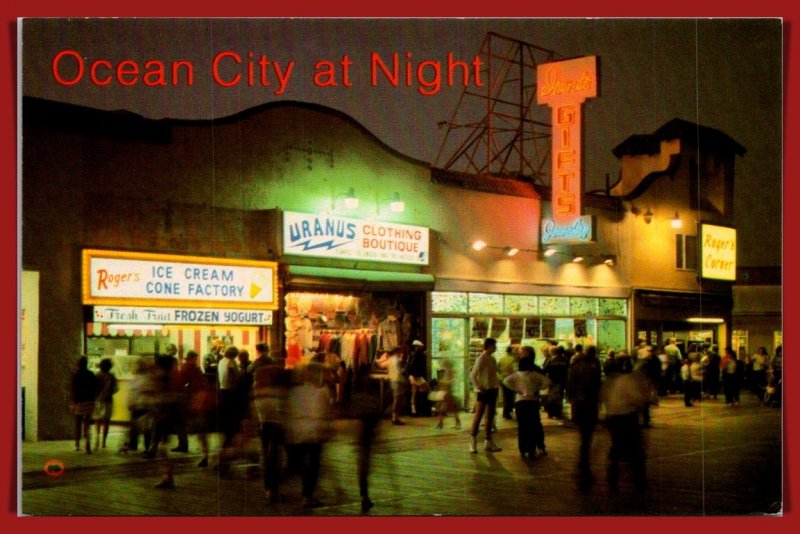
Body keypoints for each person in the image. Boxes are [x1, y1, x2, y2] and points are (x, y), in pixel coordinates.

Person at [283, 363, 333, 509]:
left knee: (302, 463)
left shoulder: (295, 392)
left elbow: (289, 411)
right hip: (313, 432)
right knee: (313, 464)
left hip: (297, 431)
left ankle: (298, 488)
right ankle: (307, 495)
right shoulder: (321, 392)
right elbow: (324, 412)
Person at [601, 354, 648, 492]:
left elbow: (602, 397)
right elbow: (637, 398)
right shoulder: (627, 380)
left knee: (616, 446)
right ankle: (639, 480)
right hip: (627, 416)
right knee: (635, 448)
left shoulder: (607, 381)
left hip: (611, 416)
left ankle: (612, 478)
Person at [503, 349, 552, 459]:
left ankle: (522, 448)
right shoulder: (536, 374)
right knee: (534, 425)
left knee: (522, 427)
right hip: (533, 402)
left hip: (520, 402)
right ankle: (532, 448)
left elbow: (505, 381)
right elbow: (547, 382)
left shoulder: (517, 375)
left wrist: (516, 389)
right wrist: (538, 389)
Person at [565, 344, 602, 487]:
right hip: (589, 403)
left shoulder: (576, 366)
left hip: (578, 404)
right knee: (587, 435)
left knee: (583, 434)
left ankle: (582, 459)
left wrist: (571, 398)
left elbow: (570, 384)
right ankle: (583, 460)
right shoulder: (594, 365)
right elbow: (596, 384)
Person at [468, 337, 502, 453]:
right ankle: (473, 441)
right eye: (494, 346)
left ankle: (488, 441)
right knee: (478, 416)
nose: (495, 347)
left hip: (493, 389)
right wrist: (478, 386)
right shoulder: (481, 359)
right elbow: (472, 375)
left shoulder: (492, 359)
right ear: (488, 346)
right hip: (484, 390)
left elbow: (493, 374)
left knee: (490, 416)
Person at [181, 350, 212, 466]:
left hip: (194, 401)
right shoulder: (195, 369)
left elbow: (184, 384)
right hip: (199, 401)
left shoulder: (187, 368)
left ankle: (204, 454)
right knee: (201, 431)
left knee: (199, 430)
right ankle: (205, 454)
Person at [70, 356, 99, 454]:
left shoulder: (76, 375)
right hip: (89, 401)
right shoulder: (91, 374)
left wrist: (72, 401)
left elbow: (73, 390)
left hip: (79, 401)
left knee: (77, 423)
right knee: (87, 423)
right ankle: (87, 443)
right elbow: (95, 388)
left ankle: (77, 444)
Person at [93, 357, 119, 450]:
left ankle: (96, 439)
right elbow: (116, 389)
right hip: (108, 400)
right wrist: (109, 392)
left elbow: (93, 388)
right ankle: (103, 442)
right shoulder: (112, 376)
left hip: (98, 401)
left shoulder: (97, 375)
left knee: (98, 421)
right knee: (106, 422)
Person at [376, 347, 406, 425]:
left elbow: (380, 365)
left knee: (396, 399)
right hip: (398, 380)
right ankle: (395, 418)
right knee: (397, 400)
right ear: (397, 352)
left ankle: (394, 417)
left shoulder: (390, 360)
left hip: (392, 380)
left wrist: (383, 359)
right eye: (400, 352)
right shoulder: (397, 360)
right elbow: (399, 371)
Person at [433, 358, 461, 430]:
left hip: (447, 392)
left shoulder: (450, 371)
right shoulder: (446, 371)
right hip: (444, 392)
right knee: (442, 408)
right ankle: (441, 423)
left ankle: (442, 423)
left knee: (446, 408)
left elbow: (451, 381)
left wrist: (442, 382)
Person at [406, 340, 428, 416]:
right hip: (416, 375)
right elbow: (414, 366)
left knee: (414, 393)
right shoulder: (417, 354)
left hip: (414, 375)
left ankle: (414, 410)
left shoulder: (412, 354)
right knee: (421, 390)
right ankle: (417, 410)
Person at [498, 345, 519, 420]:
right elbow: (515, 370)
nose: (516, 351)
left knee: (506, 396)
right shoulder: (513, 360)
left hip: (503, 379)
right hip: (511, 380)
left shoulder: (502, 359)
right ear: (511, 351)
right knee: (510, 397)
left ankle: (506, 412)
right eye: (515, 350)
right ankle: (507, 412)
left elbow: (498, 369)